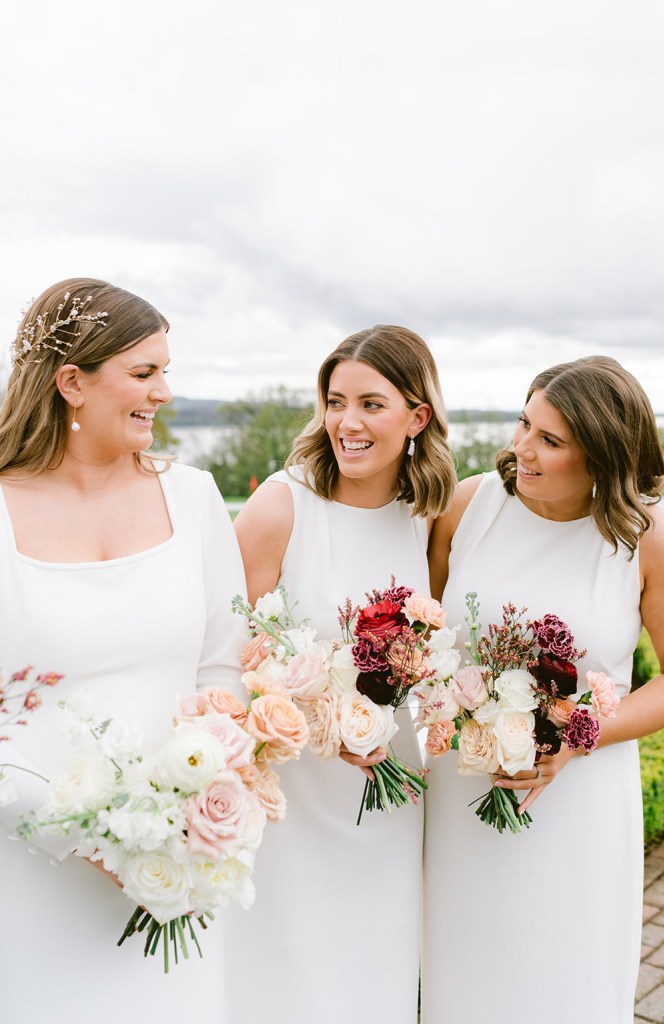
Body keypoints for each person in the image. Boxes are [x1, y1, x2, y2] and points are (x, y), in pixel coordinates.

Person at [0, 278, 248, 1024]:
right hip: (27, 870)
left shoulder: (197, 497)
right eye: (144, 373)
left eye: (165, 371)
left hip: (174, 872)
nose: (165, 392)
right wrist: (91, 836)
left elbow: (220, 666)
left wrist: (191, 807)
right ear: (72, 383)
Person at [422, 355, 664, 1024]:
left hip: (581, 805)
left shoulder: (646, 537)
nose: (521, 448)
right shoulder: (469, 504)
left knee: (566, 980)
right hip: (463, 794)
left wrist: (574, 735)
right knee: (464, 974)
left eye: (549, 440)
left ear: (599, 456)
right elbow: (424, 634)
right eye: (522, 423)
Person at [226, 325, 457, 1024]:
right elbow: (222, 647)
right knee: (285, 971)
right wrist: (309, 705)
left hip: (389, 790)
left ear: (417, 417)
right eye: (334, 401)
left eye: (370, 404)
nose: (345, 423)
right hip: (295, 791)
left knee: (374, 968)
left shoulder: (424, 518)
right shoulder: (281, 502)